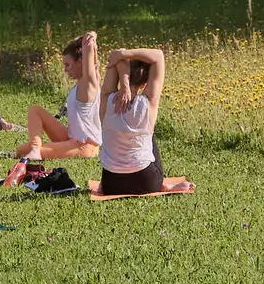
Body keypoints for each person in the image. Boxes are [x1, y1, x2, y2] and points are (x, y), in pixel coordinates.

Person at [9, 29, 101, 179]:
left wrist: (90, 43)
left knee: (21, 151)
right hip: (70, 138)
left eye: (68, 65)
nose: (65, 70)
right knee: (35, 110)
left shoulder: (88, 84)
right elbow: (94, 62)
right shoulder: (81, 83)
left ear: (81, 62)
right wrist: (92, 39)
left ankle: (35, 151)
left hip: (83, 146)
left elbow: (91, 64)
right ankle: (35, 148)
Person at [95, 45, 167, 196]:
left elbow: (114, 56)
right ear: (144, 84)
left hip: (111, 184)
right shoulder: (148, 104)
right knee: (149, 134)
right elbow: (158, 56)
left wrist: (124, 83)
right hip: (147, 182)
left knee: (145, 132)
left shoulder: (107, 100)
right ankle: (164, 182)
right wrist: (125, 54)